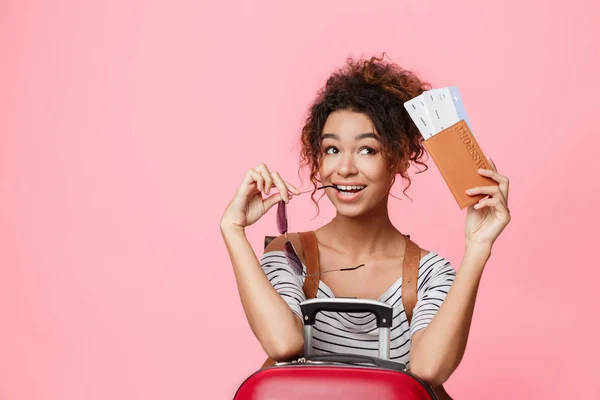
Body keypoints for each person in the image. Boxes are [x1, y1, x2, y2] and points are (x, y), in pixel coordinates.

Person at [220, 54, 511, 387]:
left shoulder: (430, 274)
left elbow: (430, 370)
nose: (344, 168)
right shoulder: (288, 254)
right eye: (331, 150)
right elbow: (283, 343)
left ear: (399, 159)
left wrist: (477, 249)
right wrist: (233, 230)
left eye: (366, 150)